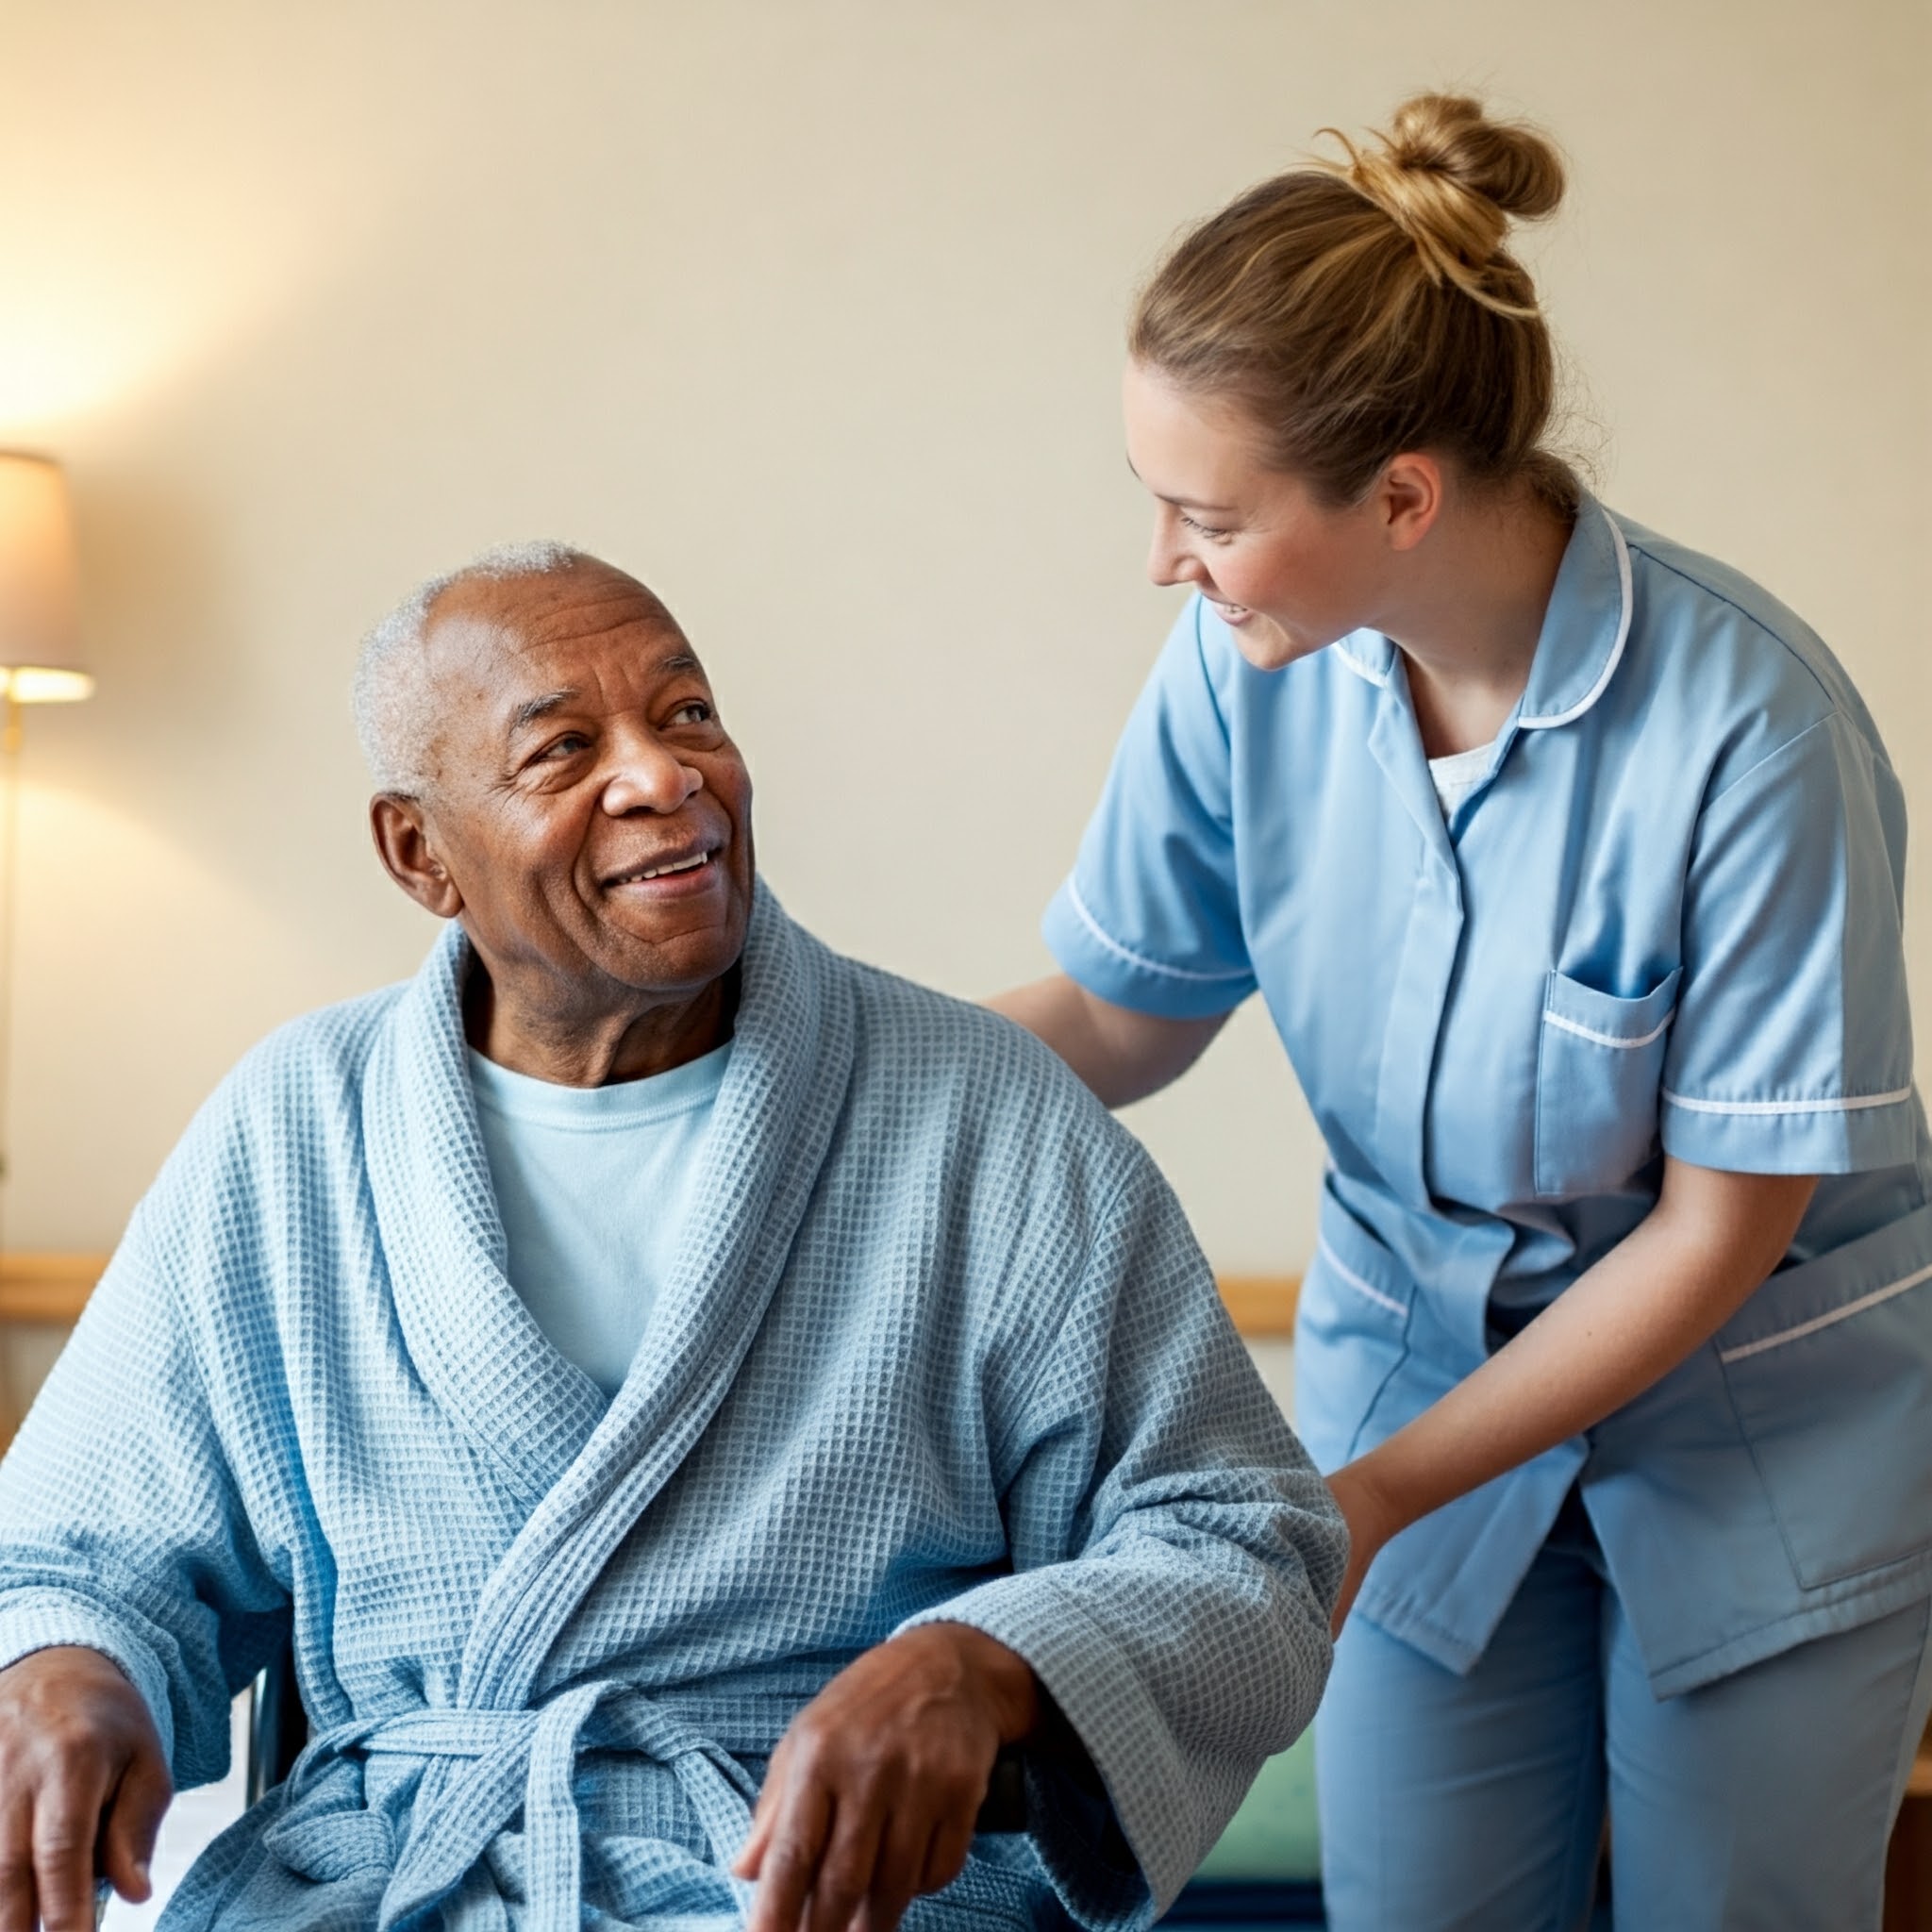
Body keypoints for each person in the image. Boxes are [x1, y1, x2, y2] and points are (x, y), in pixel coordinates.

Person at [0, 544, 1345, 1932]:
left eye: (688, 713)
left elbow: (1248, 1543)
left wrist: (983, 1667)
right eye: (565, 748)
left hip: (821, 1896)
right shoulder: (299, 1126)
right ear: (420, 853)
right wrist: (66, 1666)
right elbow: (79, 1550)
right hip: (398, 1884)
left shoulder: (979, 1115)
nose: (663, 775)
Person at [992, 92, 1932, 1930]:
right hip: (1408, 1401)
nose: (1165, 567)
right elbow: (1120, 1017)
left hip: (1750, 1436)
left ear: (1399, 496)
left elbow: (1717, 1231)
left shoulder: (1745, 732)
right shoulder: (1240, 669)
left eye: (1206, 517)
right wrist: (818, 1081)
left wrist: (1368, 1496)